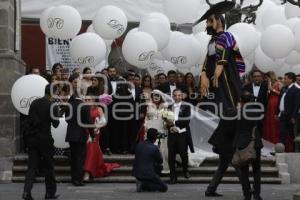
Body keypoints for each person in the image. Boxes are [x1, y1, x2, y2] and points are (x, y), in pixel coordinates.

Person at [193, 1, 244, 196]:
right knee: (230, 160)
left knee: (228, 99)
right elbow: (208, 59)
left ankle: (244, 190)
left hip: (226, 78)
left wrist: (221, 64)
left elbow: (225, 52)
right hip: (216, 81)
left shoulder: (227, 36)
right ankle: (248, 191)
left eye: (209, 21)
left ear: (217, 21)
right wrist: (204, 73)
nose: (207, 24)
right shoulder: (212, 41)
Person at [22, 84, 60, 200]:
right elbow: (56, 124)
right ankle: (50, 193)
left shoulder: (34, 103)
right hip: (45, 140)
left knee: (32, 167)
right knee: (49, 167)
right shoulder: (52, 105)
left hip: (32, 139)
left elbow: (30, 120)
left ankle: (26, 192)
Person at [233, 91, 264, 200]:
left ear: (241, 101)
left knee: (244, 171)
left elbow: (234, 128)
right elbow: (260, 125)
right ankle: (257, 194)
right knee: (256, 170)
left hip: (241, 143)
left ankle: (247, 195)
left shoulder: (236, 112)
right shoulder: (257, 112)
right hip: (255, 142)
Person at [83, 94, 119, 180]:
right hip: (84, 133)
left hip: (94, 133)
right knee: (87, 151)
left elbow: (103, 121)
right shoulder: (82, 109)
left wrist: (97, 127)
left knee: (91, 150)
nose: (87, 101)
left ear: (93, 101)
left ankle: (87, 172)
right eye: (85, 100)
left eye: (89, 100)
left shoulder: (98, 109)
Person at [65, 84, 93, 186]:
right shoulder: (84, 106)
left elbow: (67, 119)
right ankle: (78, 180)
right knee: (79, 158)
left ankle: (73, 178)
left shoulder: (69, 105)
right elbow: (89, 123)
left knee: (73, 157)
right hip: (81, 135)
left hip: (71, 134)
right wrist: (92, 135)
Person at [167, 89, 194, 184]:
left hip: (182, 133)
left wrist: (176, 126)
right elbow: (166, 120)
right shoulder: (169, 107)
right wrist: (170, 127)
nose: (177, 97)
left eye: (179, 95)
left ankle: (185, 170)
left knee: (183, 154)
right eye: (175, 95)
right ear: (172, 96)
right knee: (171, 156)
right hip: (171, 134)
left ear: (182, 96)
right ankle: (173, 176)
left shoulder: (187, 106)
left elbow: (186, 120)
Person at [132, 128, 168, 192]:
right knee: (164, 187)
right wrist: (159, 151)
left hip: (136, 172)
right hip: (148, 173)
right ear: (155, 138)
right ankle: (143, 185)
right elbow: (160, 161)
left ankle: (143, 183)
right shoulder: (154, 148)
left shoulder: (139, 144)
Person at [144, 90, 169, 173]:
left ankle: (163, 168)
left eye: (158, 95)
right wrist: (145, 125)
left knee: (162, 148)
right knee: (151, 148)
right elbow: (146, 117)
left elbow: (168, 117)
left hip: (162, 127)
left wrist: (167, 124)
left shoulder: (165, 106)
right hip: (151, 127)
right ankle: (151, 168)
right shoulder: (149, 105)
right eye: (154, 95)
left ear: (161, 97)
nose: (156, 97)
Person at [276, 72, 300, 152]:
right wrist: (277, 112)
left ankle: (294, 150)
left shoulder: (296, 90)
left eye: (285, 78)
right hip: (283, 115)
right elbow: (280, 101)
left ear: (291, 79)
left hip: (290, 116)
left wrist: (293, 116)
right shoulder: (285, 89)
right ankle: (280, 150)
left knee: (292, 134)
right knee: (282, 133)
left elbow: (297, 105)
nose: (283, 80)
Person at [262, 71, 282, 144]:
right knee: (269, 121)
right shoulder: (269, 83)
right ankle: (269, 139)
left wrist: (272, 89)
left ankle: (275, 139)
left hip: (275, 103)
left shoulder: (278, 83)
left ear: (270, 76)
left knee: (274, 122)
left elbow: (281, 93)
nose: (266, 79)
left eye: (267, 77)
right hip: (270, 103)